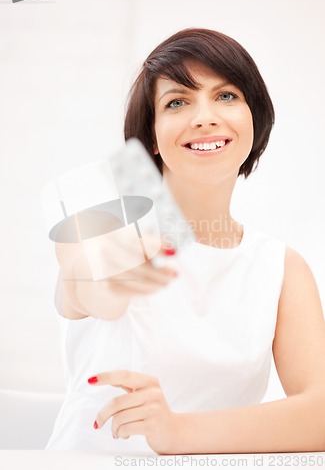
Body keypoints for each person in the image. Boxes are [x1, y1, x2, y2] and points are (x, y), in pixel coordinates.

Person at [46, 28, 325, 454]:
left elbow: (319, 415)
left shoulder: (281, 268)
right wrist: (105, 269)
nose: (205, 116)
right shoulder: (104, 219)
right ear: (152, 138)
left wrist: (176, 432)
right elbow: (88, 286)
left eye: (227, 96)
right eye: (177, 102)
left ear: (255, 117)